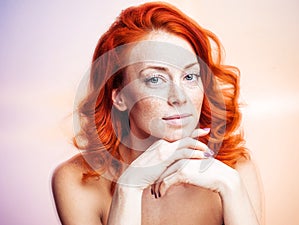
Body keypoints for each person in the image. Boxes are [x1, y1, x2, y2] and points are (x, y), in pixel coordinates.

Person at [52, 2, 264, 225]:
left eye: (190, 76)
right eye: (155, 79)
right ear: (119, 96)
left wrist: (231, 187)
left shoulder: (235, 170)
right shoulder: (77, 180)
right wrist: (128, 189)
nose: (179, 98)